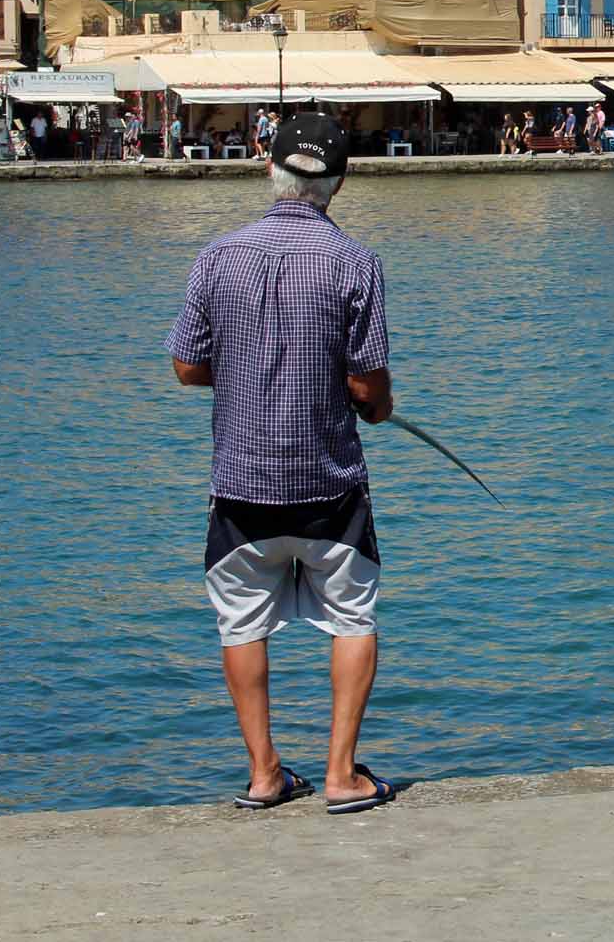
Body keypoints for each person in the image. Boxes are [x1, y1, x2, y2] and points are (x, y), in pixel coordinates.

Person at [167, 114, 397, 816]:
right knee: (353, 620)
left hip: (241, 485)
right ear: (340, 181)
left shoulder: (216, 256)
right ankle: (339, 775)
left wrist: (240, 372)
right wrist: (379, 409)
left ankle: (265, 774)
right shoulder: (356, 263)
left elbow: (185, 366)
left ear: (268, 166)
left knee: (241, 626)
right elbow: (367, 386)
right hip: (329, 485)